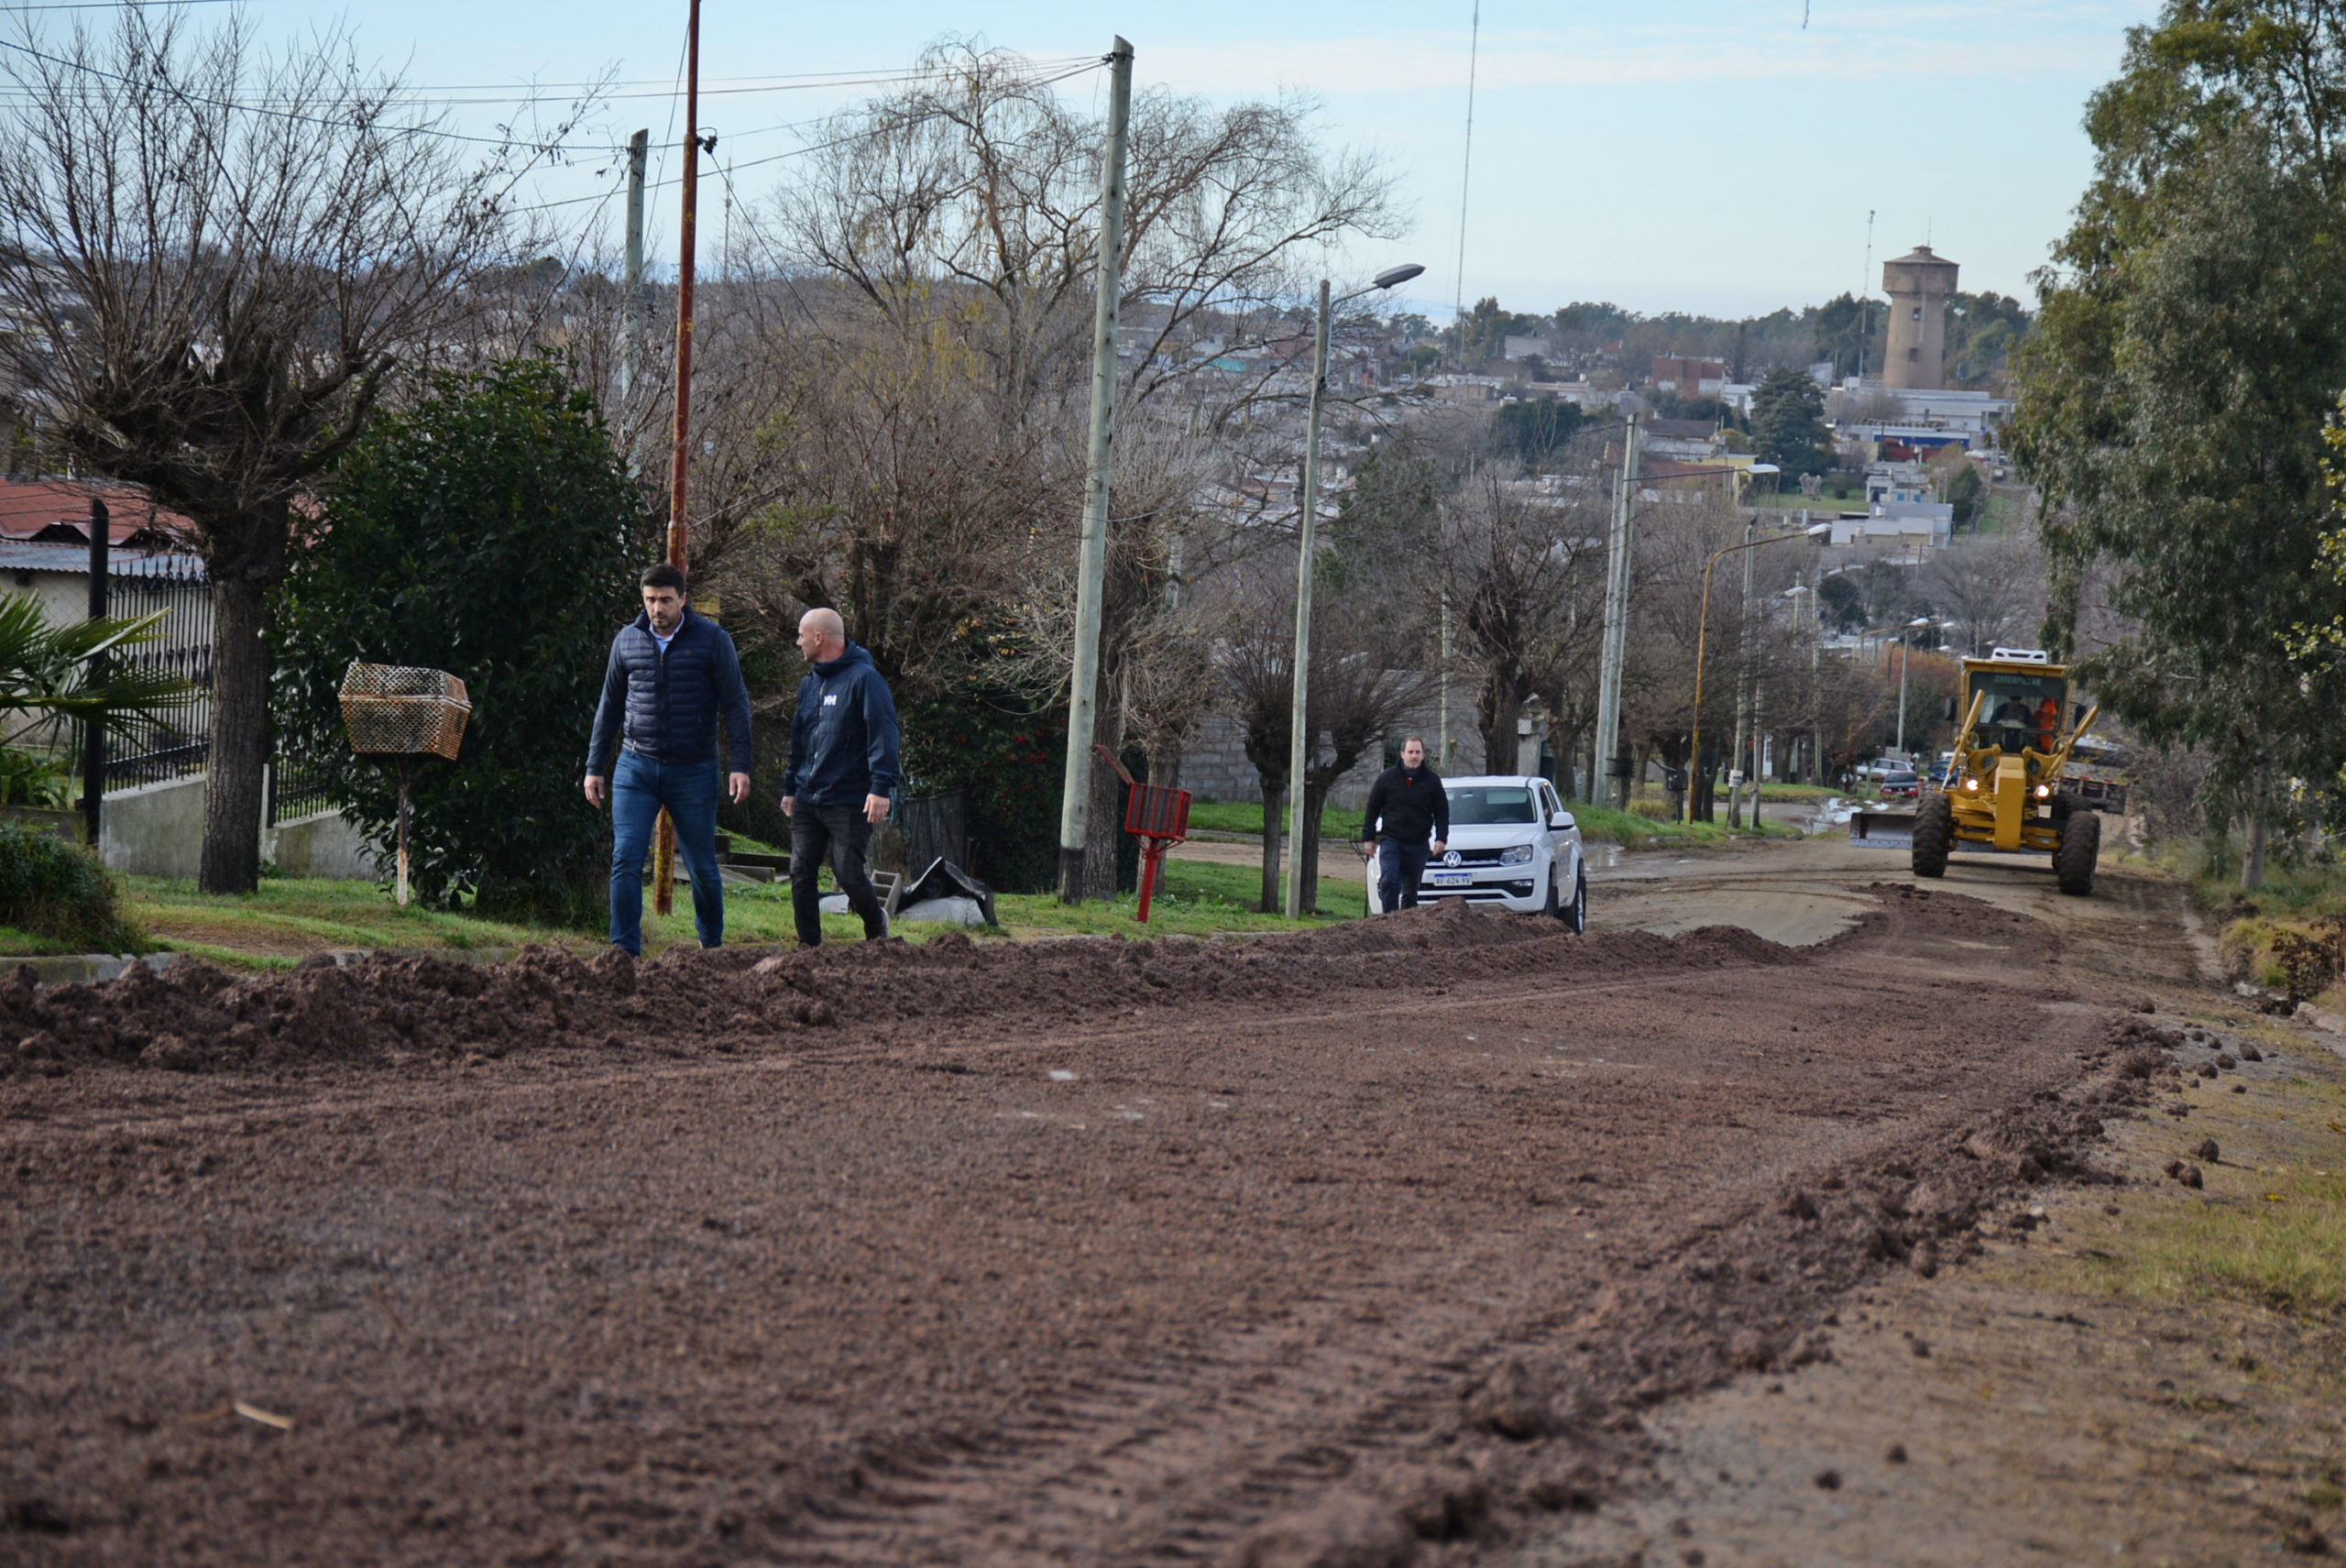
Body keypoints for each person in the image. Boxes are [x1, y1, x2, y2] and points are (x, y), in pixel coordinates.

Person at [584, 564, 753, 957]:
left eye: (664, 600)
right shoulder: (627, 641)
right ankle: (624, 952)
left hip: (694, 769)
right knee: (625, 858)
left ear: (682, 600)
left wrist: (740, 764)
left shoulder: (713, 641)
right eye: (649, 600)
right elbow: (608, 708)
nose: (656, 608)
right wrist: (595, 766)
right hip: (636, 766)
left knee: (702, 867)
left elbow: (736, 704)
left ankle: (710, 945)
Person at [783, 607, 901, 948]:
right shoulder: (809, 684)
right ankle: (809, 946)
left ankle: (876, 924)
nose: (798, 641)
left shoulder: (865, 679)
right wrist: (790, 787)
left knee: (848, 873)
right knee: (801, 872)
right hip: (808, 796)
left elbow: (883, 734)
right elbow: (799, 739)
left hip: (848, 798)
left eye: (802, 635)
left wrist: (881, 788)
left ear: (819, 638)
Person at [1360, 737, 1450, 912]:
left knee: (1410, 893)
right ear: (1402, 754)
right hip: (1392, 841)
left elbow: (1442, 811)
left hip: (1418, 844)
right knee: (1389, 881)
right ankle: (1389, 922)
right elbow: (1372, 808)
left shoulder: (1432, 782)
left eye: (1417, 752)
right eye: (1410, 752)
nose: (1414, 756)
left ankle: (1406, 929)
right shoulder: (1387, 778)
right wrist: (1368, 838)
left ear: (1423, 755)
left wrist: (1441, 838)